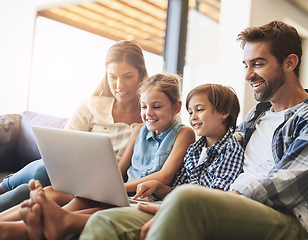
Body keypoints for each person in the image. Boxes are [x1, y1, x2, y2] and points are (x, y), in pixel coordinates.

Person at [80, 20, 308, 240]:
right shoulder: (256, 117)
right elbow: (220, 156)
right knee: (109, 221)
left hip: (291, 221)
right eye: (246, 65)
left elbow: (295, 182)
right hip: (228, 207)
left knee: (188, 200)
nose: (248, 75)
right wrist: (168, 191)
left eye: (258, 64)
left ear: (289, 63)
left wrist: (215, 199)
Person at [20, 83, 244, 240]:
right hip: (163, 199)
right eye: (190, 111)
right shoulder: (196, 148)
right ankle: (35, 222)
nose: (193, 116)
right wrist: (163, 188)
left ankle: (61, 221)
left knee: (106, 208)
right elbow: (180, 187)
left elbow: (215, 199)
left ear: (224, 112)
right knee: (80, 197)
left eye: (200, 110)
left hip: (189, 210)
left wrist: (166, 195)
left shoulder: (231, 148)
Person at [0, 73, 195, 240]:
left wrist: (115, 189)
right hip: (120, 193)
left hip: (146, 199)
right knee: (51, 191)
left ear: (176, 107)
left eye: (156, 107)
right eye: (144, 107)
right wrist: (99, 186)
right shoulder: (138, 131)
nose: (148, 113)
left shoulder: (184, 133)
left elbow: (164, 176)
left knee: (90, 203)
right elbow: (118, 171)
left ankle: (26, 228)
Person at [0, 40, 148, 212]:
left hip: (109, 185)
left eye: (128, 76)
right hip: (75, 174)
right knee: (43, 170)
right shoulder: (91, 106)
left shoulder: (153, 116)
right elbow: (62, 148)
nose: (119, 85)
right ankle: (4, 186)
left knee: (28, 189)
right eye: (112, 77)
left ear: (141, 74)